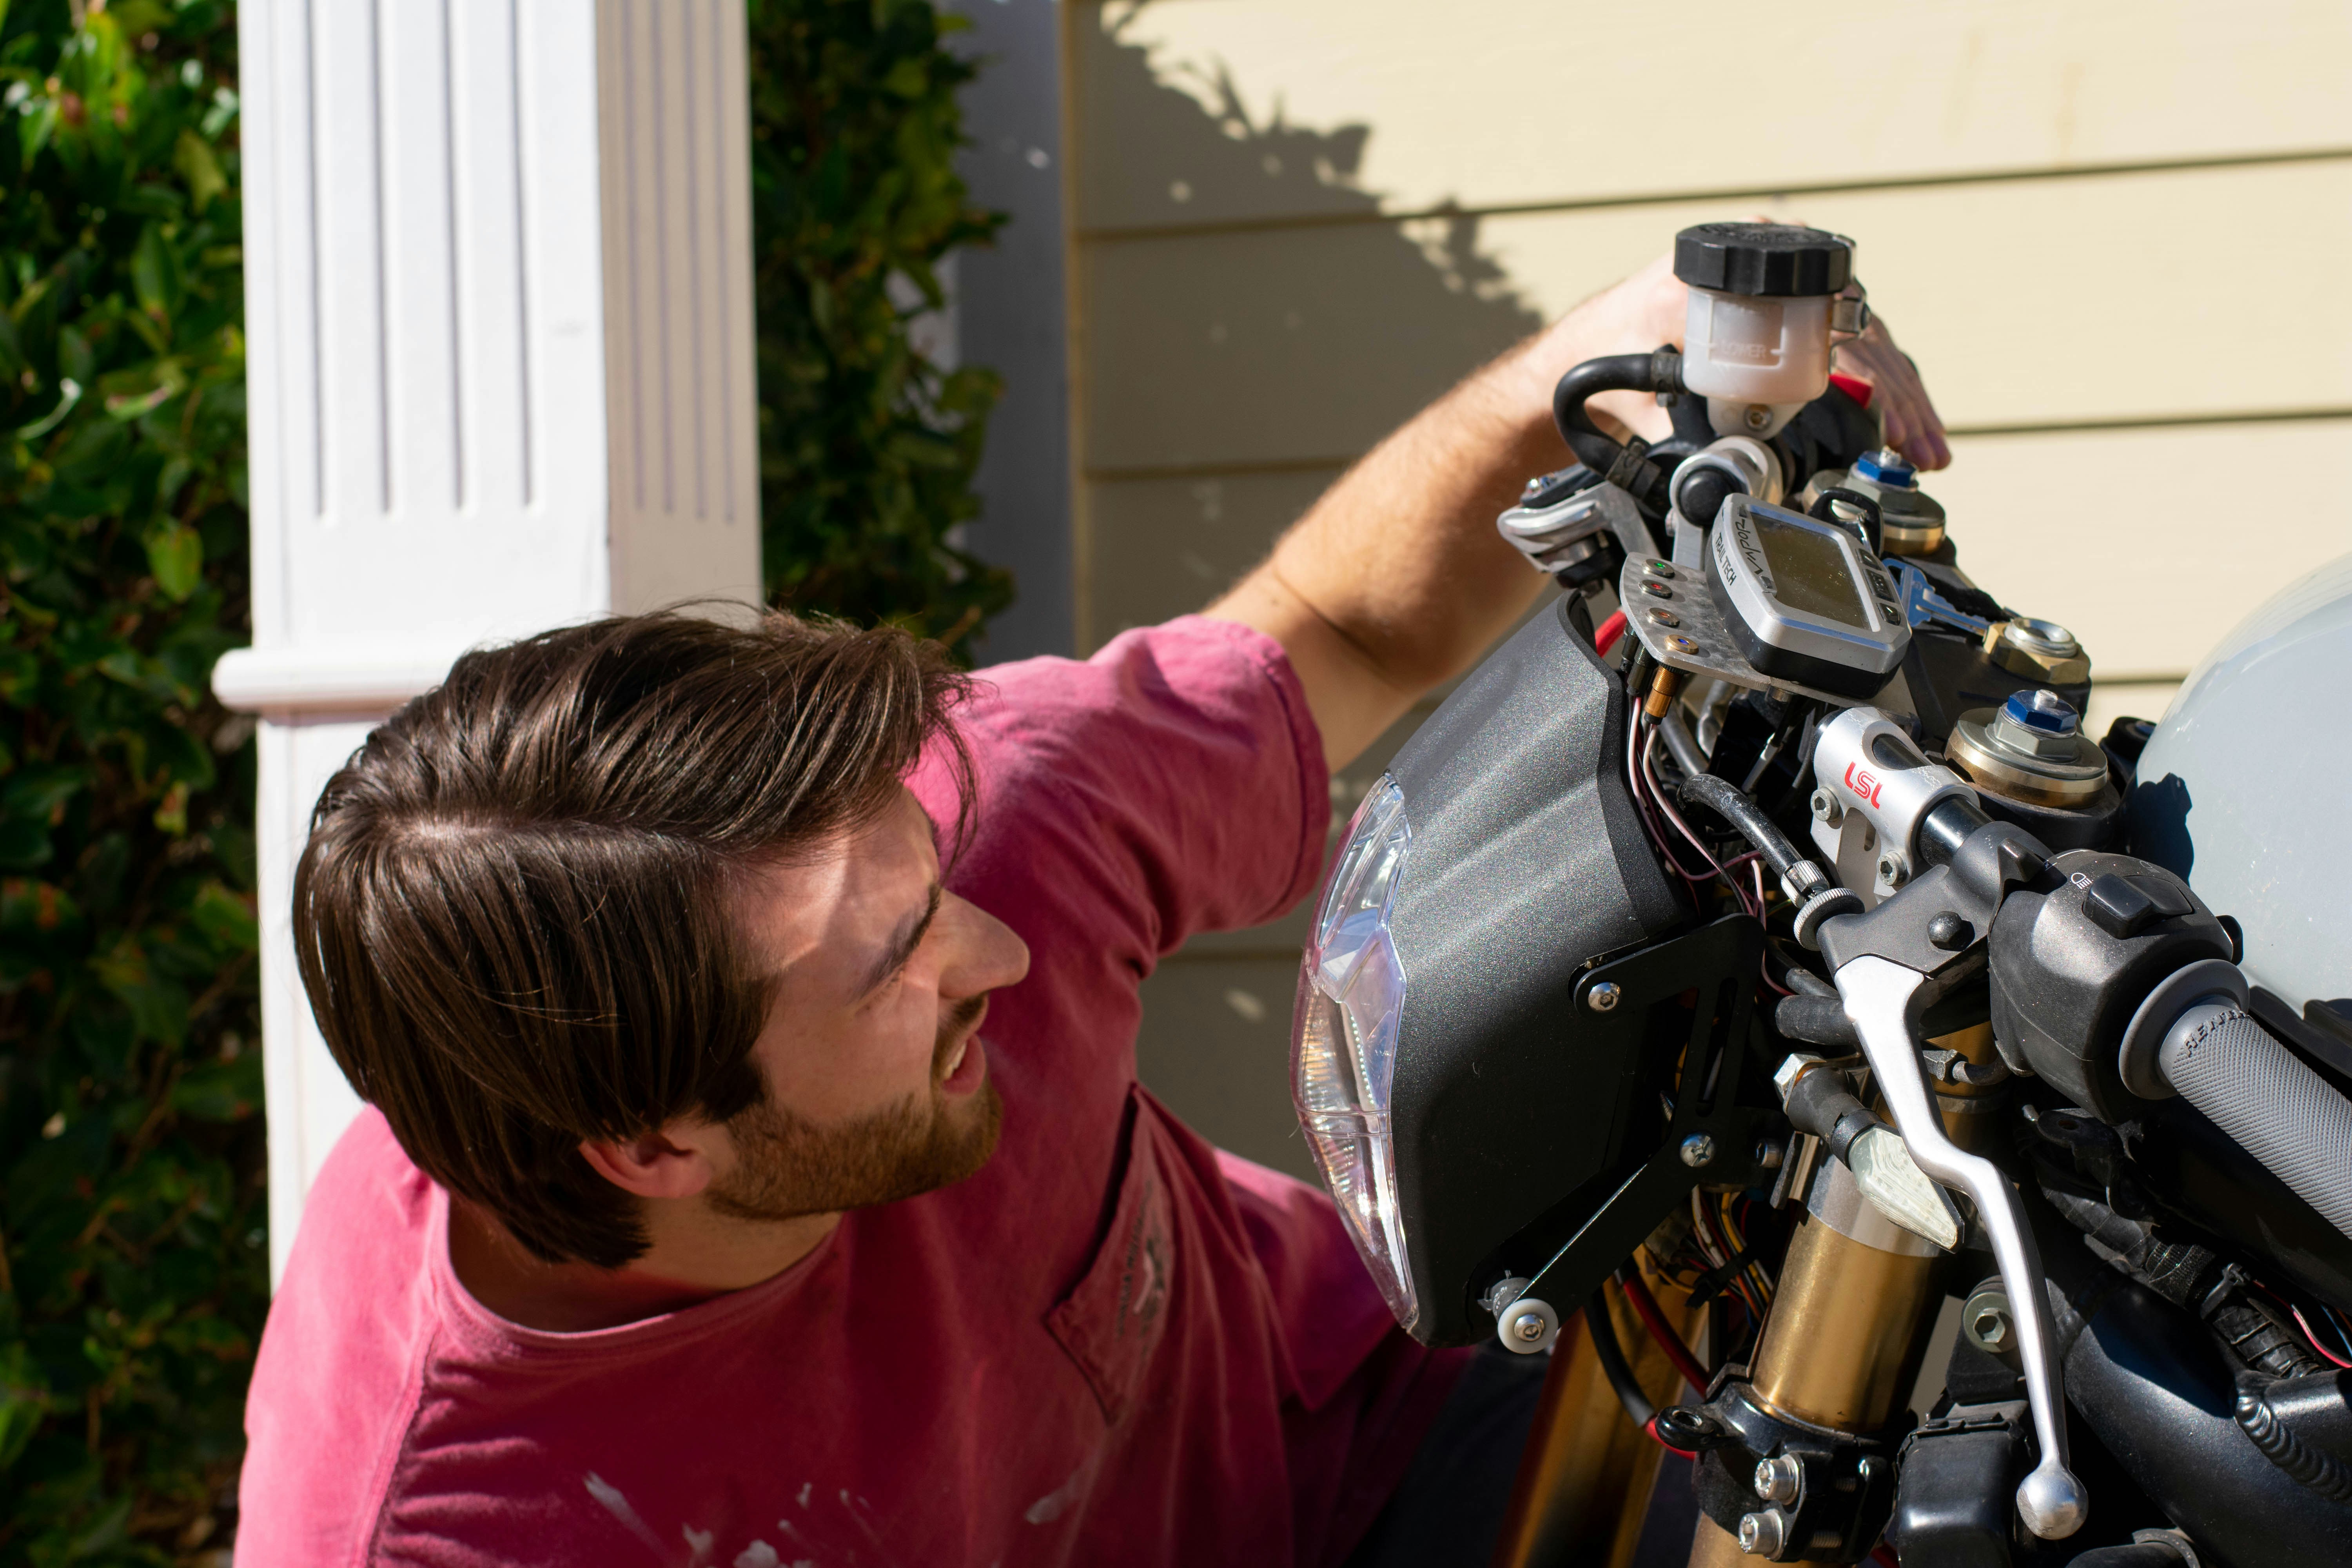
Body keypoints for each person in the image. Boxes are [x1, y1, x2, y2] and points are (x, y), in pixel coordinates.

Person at [235, 250, 1947, 1567]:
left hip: (1399, 1424)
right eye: (900, 962)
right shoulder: (441, 1521)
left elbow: (1337, 632)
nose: (991, 946)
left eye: (929, 879)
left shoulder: (965, 827)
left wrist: (1610, 352)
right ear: (655, 1149)